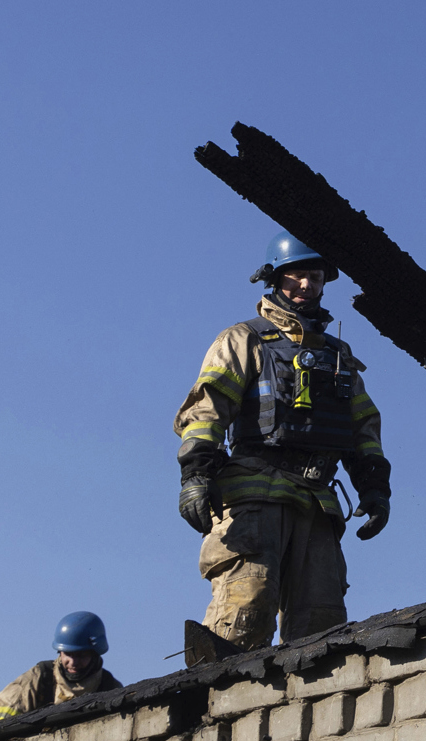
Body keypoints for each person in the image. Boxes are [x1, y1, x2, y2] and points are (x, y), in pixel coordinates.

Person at [173, 231, 391, 651]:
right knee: (245, 611)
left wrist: (375, 488)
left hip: (317, 504)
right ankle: (217, 707)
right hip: (255, 495)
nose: (308, 285)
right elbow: (206, 409)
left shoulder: (339, 356)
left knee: (322, 631)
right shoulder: (243, 339)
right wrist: (195, 475)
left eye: (316, 277)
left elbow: (363, 425)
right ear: (274, 279)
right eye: (297, 276)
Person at [0, 611, 121, 720]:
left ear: (95, 655)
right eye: (68, 654)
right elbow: (5, 729)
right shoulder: (38, 679)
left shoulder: (110, 688)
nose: (73, 662)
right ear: (60, 652)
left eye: (81, 655)